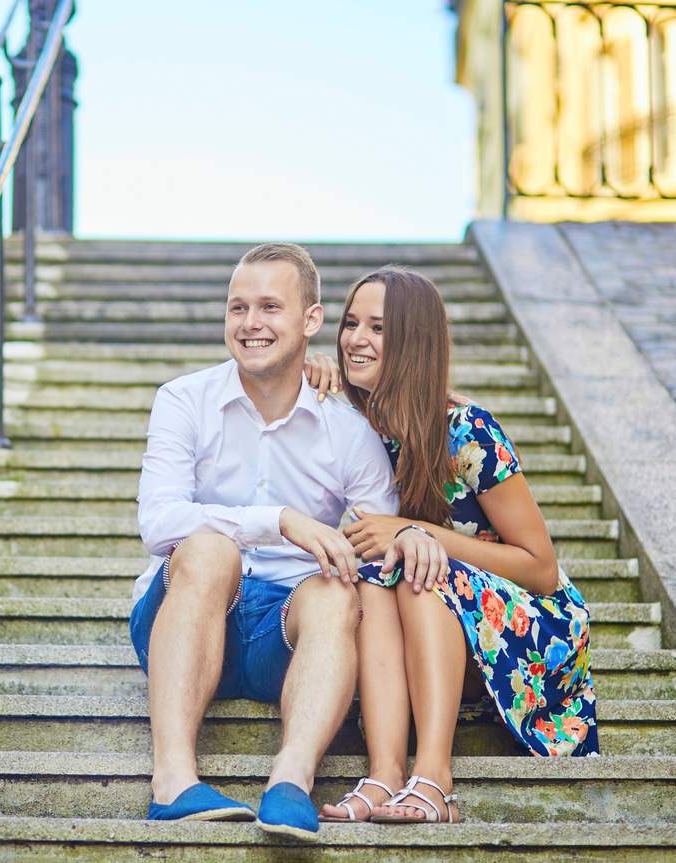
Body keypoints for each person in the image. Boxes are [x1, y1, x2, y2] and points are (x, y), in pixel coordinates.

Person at [131, 244, 446, 842]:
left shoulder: (348, 430)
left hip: (289, 636)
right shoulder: (184, 399)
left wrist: (409, 532)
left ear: (310, 321)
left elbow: (377, 541)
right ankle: (172, 781)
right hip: (188, 617)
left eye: (270, 307)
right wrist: (279, 520)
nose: (250, 324)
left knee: (335, 587)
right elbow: (160, 522)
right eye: (238, 308)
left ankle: (291, 783)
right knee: (204, 547)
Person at [301, 266, 599, 826]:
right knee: (380, 579)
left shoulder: (466, 430)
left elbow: (541, 568)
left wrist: (419, 534)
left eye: (379, 328)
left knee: (418, 565)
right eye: (349, 324)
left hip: (528, 629)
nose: (355, 339)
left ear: (415, 341)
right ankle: (386, 774)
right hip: (424, 622)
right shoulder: (352, 418)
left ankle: (436, 778)